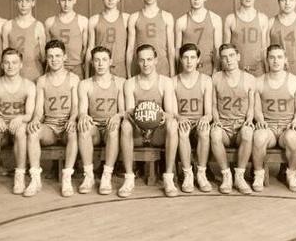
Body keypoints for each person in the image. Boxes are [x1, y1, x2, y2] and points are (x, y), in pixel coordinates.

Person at [119, 44, 179, 197]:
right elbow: (130, 112)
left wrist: (158, 117)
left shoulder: (166, 82)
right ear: (137, 62)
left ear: (156, 60)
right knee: (125, 125)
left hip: (158, 132)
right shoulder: (130, 83)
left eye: (149, 59)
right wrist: (142, 119)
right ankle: (129, 177)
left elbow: (170, 113)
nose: (146, 64)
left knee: (172, 125)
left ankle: (168, 177)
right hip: (138, 132)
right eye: (142, 60)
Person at [27, 40, 80, 197]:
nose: (54, 60)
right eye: (50, 56)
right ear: (47, 59)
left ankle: (67, 177)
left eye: (57, 56)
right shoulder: (42, 80)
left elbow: (76, 106)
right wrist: (36, 119)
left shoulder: (73, 79)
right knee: (33, 132)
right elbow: (39, 110)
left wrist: (72, 119)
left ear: (65, 57)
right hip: (50, 127)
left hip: (66, 126)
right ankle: (35, 178)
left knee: (73, 132)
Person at [0, 48, 36, 196]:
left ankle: (19, 176)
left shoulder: (29, 85)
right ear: (2, 65)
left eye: (14, 62)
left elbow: (30, 114)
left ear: (21, 65)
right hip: (2, 125)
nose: (10, 66)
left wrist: (20, 118)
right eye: (7, 62)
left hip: (18, 124)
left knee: (21, 131)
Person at [252, 44, 296, 192]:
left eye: (279, 57)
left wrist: (295, 121)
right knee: (259, 136)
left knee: (293, 137)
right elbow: (257, 108)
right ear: (267, 60)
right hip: (269, 128)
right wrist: (260, 120)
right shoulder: (259, 81)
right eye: (272, 57)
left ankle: (291, 174)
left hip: (287, 127)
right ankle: (259, 174)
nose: (276, 61)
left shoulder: (295, 81)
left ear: (286, 59)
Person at [77, 46, 125, 195]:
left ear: (110, 61)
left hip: (111, 126)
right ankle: (89, 175)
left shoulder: (120, 82)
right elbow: (82, 110)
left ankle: (106, 175)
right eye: (97, 60)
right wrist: (83, 116)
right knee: (84, 127)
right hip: (95, 128)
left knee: (113, 129)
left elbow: (124, 111)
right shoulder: (85, 84)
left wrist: (117, 116)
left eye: (104, 60)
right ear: (92, 62)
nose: (100, 63)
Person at [210, 43, 256, 195]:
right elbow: (214, 105)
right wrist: (216, 120)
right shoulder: (216, 78)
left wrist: (249, 119)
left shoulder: (249, 79)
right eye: (224, 57)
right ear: (221, 60)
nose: (228, 60)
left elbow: (251, 106)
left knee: (248, 132)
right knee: (214, 133)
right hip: (224, 126)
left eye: (231, 56)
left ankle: (239, 176)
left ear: (238, 57)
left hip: (240, 125)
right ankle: (226, 175)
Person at [173, 43, 213, 193]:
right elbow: (173, 111)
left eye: (192, 57)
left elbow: (209, 112)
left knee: (204, 131)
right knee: (182, 132)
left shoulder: (205, 80)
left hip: (199, 122)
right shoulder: (173, 81)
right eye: (185, 57)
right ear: (180, 59)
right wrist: (179, 117)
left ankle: (201, 173)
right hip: (183, 122)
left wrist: (205, 118)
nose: (189, 61)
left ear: (198, 59)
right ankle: (188, 174)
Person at [126, 0, 175, 77]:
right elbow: (130, 48)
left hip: (162, 69)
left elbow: (171, 49)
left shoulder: (167, 17)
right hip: (140, 69)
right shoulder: (134, 17)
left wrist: (173, 73)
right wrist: (128, 73)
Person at [174, 0, 222, 76]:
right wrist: (177, 74)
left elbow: (217, 50)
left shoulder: (215, 19)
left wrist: (215, 73)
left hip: (208, 72)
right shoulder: (181, 21)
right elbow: (177, 52)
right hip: (186, 73)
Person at [2, 0, 46, 82]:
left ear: (33, 2)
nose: (23, 4)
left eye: (27, 1)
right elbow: (4, 56)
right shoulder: (8, 26)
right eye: (20, 0)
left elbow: (44, 58)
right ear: (16, 2)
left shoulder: (39, 26)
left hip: (34, 76)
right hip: (13, 78)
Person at [85, 0, 129, 78]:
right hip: (99, 68)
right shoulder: (94, 20)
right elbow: (90, 48)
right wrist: (87, 75)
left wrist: (129, 73)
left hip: (120, 69)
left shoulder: (126, 19)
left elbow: (130, 49)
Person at [224, 0, 268, 77]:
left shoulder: (263, 18)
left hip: (258, 70)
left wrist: (267, 70)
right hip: (236, 70)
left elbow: (264, 48)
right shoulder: (230, 19)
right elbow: (226, 50)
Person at [46, 0, 89, 78]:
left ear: (75, 0)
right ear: (57, 0)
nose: (66, 4)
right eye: (63, 0)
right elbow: (47, 50)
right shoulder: (50, 22)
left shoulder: (83, 21)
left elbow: (85, 49)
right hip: (56, 68)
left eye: (70, 0)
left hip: (76, 68)